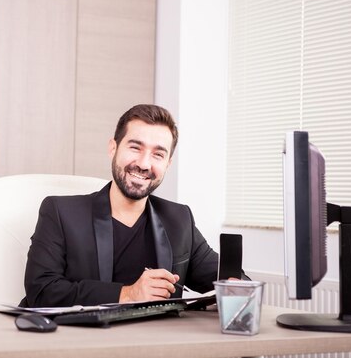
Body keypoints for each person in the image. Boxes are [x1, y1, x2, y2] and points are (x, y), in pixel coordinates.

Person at [21, 104, 222, 307]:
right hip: (78, 336)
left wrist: (237, 286)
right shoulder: (60, 212)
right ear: (113, 148)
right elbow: (41, 290)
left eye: (158, 155)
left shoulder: (179, 219)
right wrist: (128, 294)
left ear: (168, 164)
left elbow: (224, 278)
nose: (144, 164)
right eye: (135, 148)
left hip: (151, 337)